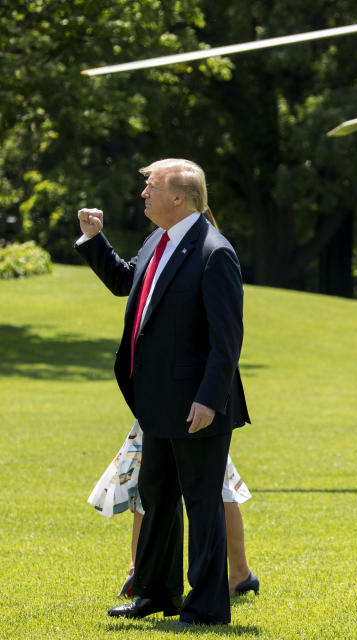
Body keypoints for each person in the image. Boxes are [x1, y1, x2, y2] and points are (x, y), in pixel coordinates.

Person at [76, 158, 250, 626]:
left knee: (202, 504)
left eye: (150, 187)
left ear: (179, 196)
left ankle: (209, 607)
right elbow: (124, 282)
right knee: (157, 497)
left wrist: (209, 399)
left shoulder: (215, 252)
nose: (143, 195)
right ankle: (157, 595)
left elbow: (227, 339)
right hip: (158, 403)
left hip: (197, 406)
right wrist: (95, 241)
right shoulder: (159, 240)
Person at [87, 422, 259, 598]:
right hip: (193, 407)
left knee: (154, 473)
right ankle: (240, 572)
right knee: (213, 479)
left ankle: (138, 570)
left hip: (176, 408)